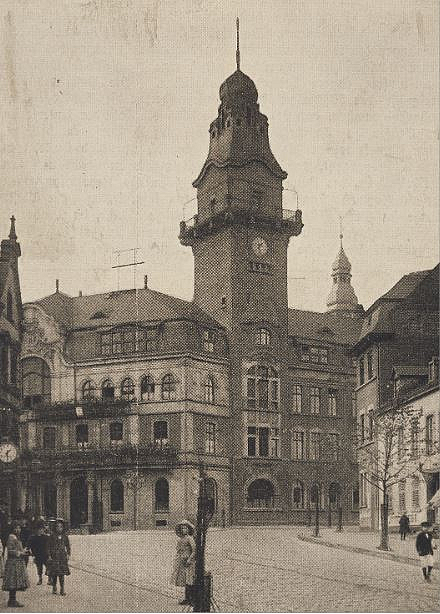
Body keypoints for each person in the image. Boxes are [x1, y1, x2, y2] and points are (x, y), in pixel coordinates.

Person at [2, 521, 29, 607]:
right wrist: (20, 553)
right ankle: (12, 600)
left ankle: (12, 600)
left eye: (19, 528)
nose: (18, 529)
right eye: (16, 528)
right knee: (13, 581)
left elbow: (17, 548)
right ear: (12, 529)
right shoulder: (11, 537)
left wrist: (24, 551)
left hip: (17, 562)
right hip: (13, 563)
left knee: (15, 582)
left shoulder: (16, 537)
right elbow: (10, 551)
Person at [171, 520, 196, 606]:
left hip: (188, 562)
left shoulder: (190, 538)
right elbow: (178, 549)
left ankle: (192, 599)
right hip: (181, 561)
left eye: (185, 528)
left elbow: (194, 550)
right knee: (184, 580)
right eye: (182, 528)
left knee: (190, 580)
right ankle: (187, 598)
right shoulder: (180, 539)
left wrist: (189, 559)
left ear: (189, 529)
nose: (184, 530)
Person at [47, 519, 70, 596]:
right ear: (55, 527)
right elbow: (48, 547)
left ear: (63, 528)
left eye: (61, 527)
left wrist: (68, 554)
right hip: (54, 557)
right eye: (57, 527)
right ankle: (54, 587)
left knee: (62, 574)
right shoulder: (52, 536)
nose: (59, 528)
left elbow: (68, 546)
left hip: (62, 557)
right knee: (54, 573)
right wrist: (49, 555)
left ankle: (62, 588)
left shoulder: (65, 536)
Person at [27, 520, 49, 585]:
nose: (41, 531)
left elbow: (50, 545)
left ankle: (49, 578)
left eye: (42, 529)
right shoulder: (32, 537)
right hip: (37, 555)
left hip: (45, 555)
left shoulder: (46, 537)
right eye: (39, 529)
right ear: (36, 530)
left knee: (48, 567)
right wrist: (32, 554)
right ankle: (40, 579)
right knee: (39, 568)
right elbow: (28, 546)